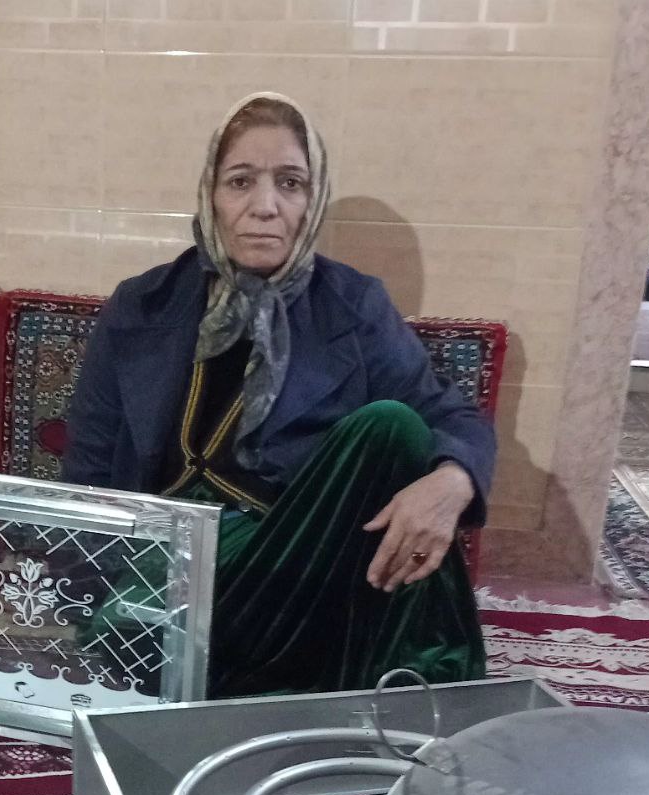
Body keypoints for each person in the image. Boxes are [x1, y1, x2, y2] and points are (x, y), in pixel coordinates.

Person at [63, 91, 494, 697]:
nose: (264, 207)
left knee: (392, 429)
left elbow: (450, 416)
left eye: (290, 184)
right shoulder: (142, 306)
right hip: (168, 570)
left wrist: (453, 481)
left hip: (299, 569)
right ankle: (358, 686)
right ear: (211, 194)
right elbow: (87, 468)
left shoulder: (353, 306)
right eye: (241, 181)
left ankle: (401, 684)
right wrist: (86, 592)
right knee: (134, 623)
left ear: (311, 202)